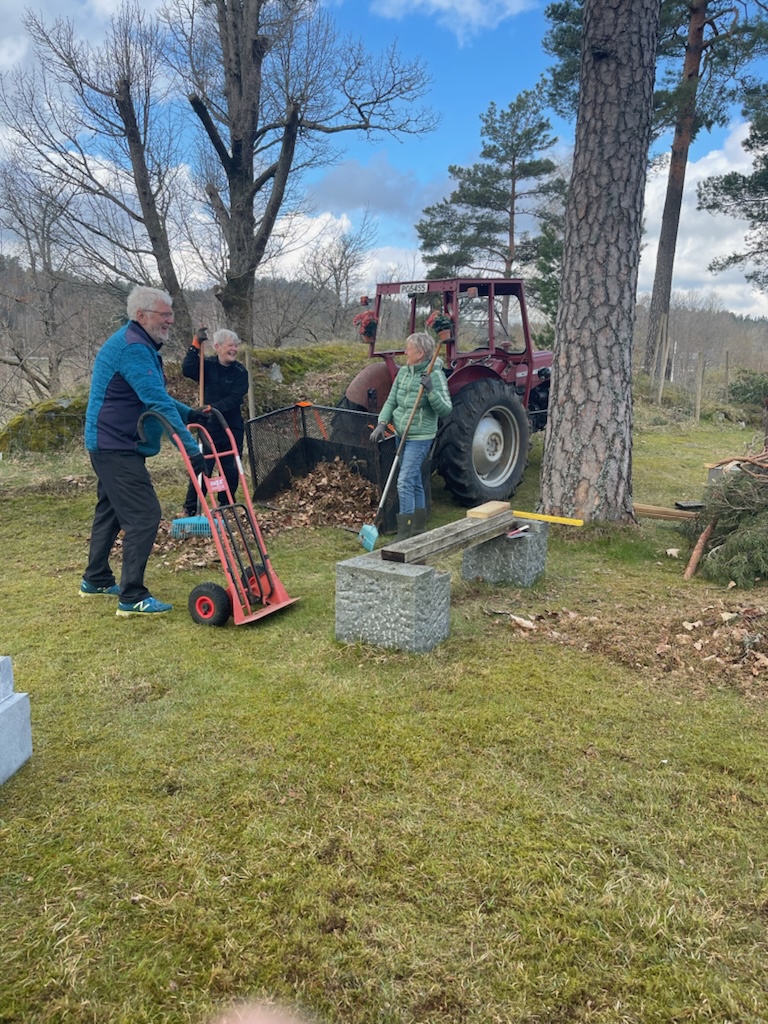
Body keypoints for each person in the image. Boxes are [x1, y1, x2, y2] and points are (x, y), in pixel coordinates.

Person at [80, 285, 206, 616]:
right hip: (115, 445)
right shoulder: (134, 348)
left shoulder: (137, 344)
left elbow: (151, 394)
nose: (170, 321)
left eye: (171, 315)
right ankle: (132, 595)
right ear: (141, 315)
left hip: (111, 442)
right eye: (165, 315)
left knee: (109, 511)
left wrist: (190, 414)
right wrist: (190, 447)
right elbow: (156, 401)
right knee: (144, 515)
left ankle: (96, 579)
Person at [370, 331, 452, 540]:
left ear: (421, 353)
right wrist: (382, 423)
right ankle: (418, 527)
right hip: (401, 432)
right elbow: (391, 401)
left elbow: (446, 410)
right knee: (414, 480)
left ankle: (404, 532)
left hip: (420, 436)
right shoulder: (404, 373)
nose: (405, 352)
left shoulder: (435, 374)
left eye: (409, 349)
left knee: (404, 481)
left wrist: (431, 391)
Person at [181, 327, 249, 515]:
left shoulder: (240, 372)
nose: (234, 349)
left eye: (236, 345)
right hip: (209, 426)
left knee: (230, 465)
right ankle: (192, 507)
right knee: (203, 465)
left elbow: (235, 398)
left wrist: (213, 408)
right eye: (230, 345)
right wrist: (195, 345)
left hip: (231, 425)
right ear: (217, 347)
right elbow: (187, 369)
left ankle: (226, 504)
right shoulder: (207, 366)